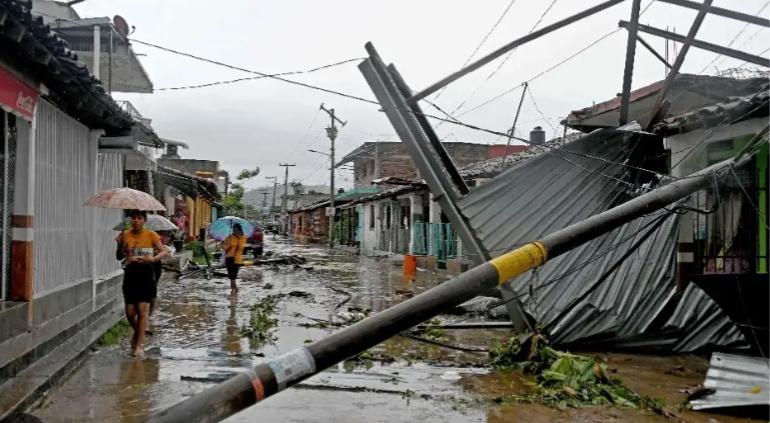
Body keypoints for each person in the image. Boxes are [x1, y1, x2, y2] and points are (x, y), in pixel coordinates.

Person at [118, 210, 168, 357]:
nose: (136, 221)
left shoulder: (151, 235)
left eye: (140, 218)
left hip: (146, 273)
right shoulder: (125, 235)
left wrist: (153, 259)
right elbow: (118, 256)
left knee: (142, 311)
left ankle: (139, 346)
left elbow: (163, 251)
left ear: (144, 221)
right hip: (130, 274)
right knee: (130, 313)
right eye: (134, 218)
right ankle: (139, 331)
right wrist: (122, 248)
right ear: (131, 220)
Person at [222, 223, 246, 292]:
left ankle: (234, 289)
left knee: (234, 274)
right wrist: (225, 246)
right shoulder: (229, 237)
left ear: (239, 230)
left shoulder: (243, 237)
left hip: (237, 258)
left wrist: (238, 239)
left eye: (236, 230)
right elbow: (225, 247)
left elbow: (241, 248)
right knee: (231, 275)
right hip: (229, 257)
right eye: (234, 230)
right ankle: (234, 289)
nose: (235, 231)